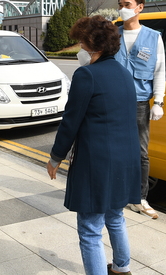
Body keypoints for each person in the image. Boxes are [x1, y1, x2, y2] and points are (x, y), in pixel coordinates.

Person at [48, 15, 140, 275]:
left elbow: (71, 122)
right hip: (125, 158)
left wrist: (55, 157)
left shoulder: (86, 74)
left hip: (98, 161)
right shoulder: (124, 73)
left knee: (90, 229)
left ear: (93, 44)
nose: (80, 49)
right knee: (115, 216)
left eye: (81, 43)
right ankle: (122, 267)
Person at [114, 0, 166, 220]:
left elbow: (160, 71)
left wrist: (159, 101)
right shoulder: (111, 35)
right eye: (120, 4)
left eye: (127, 4)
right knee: (113, 150)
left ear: (139, 7)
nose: (122, 8)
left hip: (140, 104)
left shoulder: (153, 37)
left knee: (140, 153)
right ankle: (113, 193)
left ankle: (139, 198)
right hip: (112, 102)